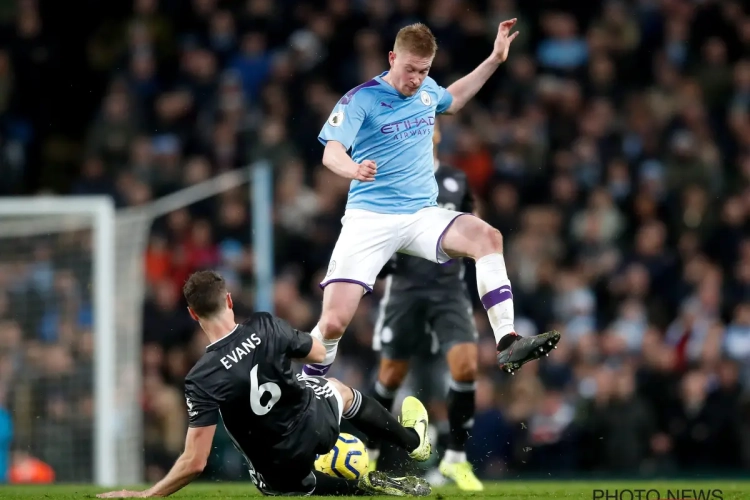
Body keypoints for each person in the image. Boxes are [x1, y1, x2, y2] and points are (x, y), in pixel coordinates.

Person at [303, 20, 560, 382]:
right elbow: (331, 153)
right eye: (409, 69)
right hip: (370, 219)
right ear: (392, 58)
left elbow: (452, 100)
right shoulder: (361, 98)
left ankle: (507, 340)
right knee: (332, 322)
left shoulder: (426, 92)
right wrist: (353, 169)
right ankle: (308, 383)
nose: (416, 79)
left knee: (488, 237)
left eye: (424, 71)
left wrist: (494, 59)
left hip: (421, 215)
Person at [97, 270, 432, 498]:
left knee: (289, 486)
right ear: (228, 300)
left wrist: (147, 495)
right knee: (338, 390)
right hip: (315, 423)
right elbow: (317, 353)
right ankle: (412, 441)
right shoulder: (264, 325)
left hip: (277, 469)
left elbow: (195, 462)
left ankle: (362, 488)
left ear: (193, 315)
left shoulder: (201, 377)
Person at [367, 119, 483, 491]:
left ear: (435, 135)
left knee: (465, 366)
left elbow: (470, 225)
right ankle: (368, 453)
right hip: (406, 289)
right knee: (390, 376)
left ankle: (455, 458)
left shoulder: (456, 180)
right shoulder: (395, 177)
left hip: (448, 290)